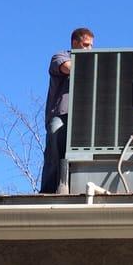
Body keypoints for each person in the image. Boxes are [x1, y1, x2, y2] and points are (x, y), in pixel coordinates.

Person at [40, 27, 94, 193]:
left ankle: (71, 185)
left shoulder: (93, 62)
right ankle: (49, 190)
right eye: (85, 45)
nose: (89, 49)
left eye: (91, 46)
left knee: (78, 154)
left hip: (82, 117)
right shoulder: (61, 56)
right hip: (61, 114)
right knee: (56, 144)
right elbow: (68, 67)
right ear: (74, 43)